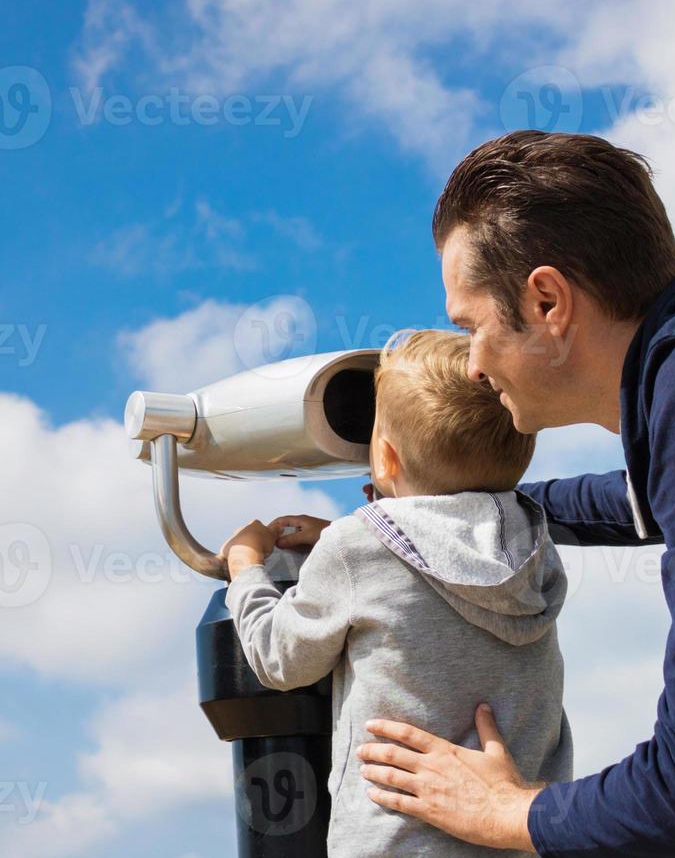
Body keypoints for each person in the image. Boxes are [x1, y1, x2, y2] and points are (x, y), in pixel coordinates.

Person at [354, 130, 675, 856]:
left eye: (470, 326)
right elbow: (640, 500)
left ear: (546, 301)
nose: (472, 366)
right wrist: (471, 508)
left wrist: (508, 812)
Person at [219, 329, 573, 857]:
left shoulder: (354, 549)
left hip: (395, 842)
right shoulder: (532, 546)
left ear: (383, 457)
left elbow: (282, 658)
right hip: (515, 836)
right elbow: (444, 547)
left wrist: (245, 569)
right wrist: (370, 532)